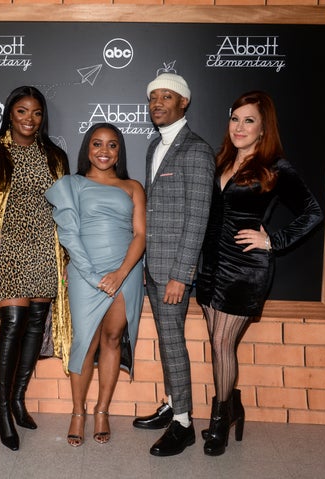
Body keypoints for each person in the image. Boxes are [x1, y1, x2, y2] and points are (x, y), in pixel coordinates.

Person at [196, 90, 323, 456]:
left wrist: (274, 241)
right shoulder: (222, 161)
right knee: (218, 345)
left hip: (245, 269)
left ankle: (221, 417)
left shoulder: (276, 167)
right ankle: (231, 403)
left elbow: (312, 212)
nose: (239, 126)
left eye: (248, 120)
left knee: (222, 344)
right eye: (235, 118)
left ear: (264, 127)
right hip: (211, 266)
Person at [0, 85, 71, 451]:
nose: (30, 118)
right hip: (6, 248)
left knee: (35, 326)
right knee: (12, 326)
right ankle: (2, 412)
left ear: (43, 118)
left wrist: (66, 258)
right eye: (22, 111)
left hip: (44, 248)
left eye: (37, 112)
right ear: (10, 113)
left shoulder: (55, 156)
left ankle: (18, 398)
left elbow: (66, 210)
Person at [45, 123, 146, 447]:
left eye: (112, 145)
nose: (104, 151)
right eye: (97, 144)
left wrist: (120, 273)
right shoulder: (72, 184)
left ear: (120, 151)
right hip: (84, 272)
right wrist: (91, 274)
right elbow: (68, 234)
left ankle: (102, 410)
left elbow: (141, 235)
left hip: (125, 271)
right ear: (87, 148)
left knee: (113, 339)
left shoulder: (133, 186)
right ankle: (78, 412)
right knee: (85, 343)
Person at [131, 72, 215, 457]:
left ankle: (183, 422)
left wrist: (182, 274)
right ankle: (171, 401)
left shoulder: (195, 150)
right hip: (152, 265)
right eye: (153, 99)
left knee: (173, 342)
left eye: (167, 97)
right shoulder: (154, 145)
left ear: (184, 102)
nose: (158, 104)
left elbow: (198, 217)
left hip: (173, 272)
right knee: (167, 341)